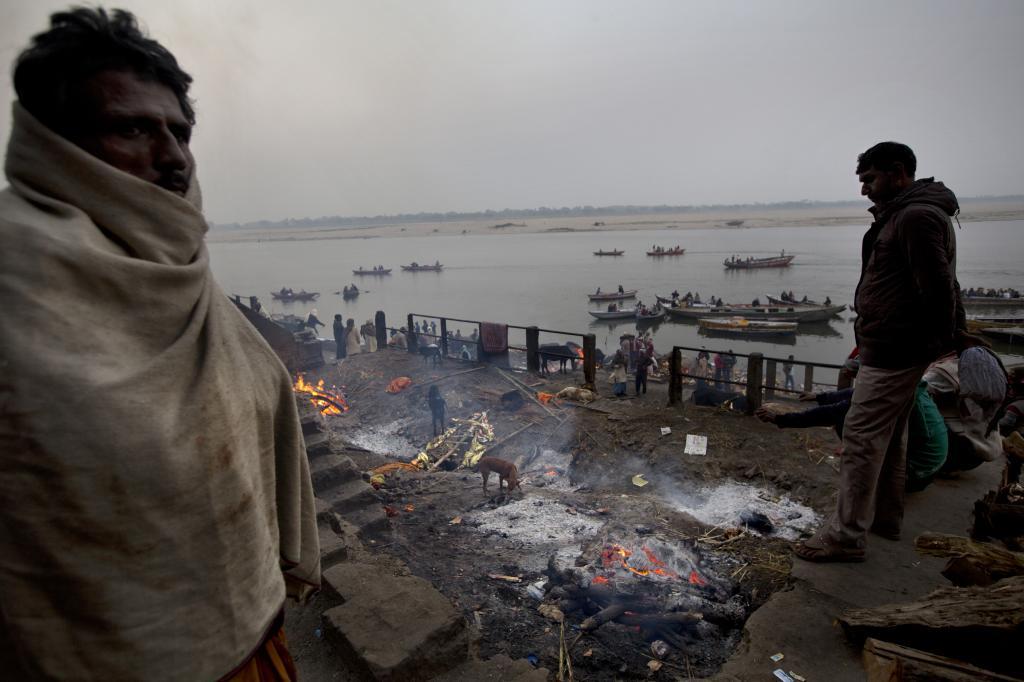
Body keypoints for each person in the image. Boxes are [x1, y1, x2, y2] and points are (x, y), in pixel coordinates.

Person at [0, 9, 318, 679]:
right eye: (134, 128)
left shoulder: (181, 273)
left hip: (253, 634)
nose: (173, 157)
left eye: (181, 131)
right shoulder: (14, 286)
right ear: (57, 146)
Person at [795, 141, 966, 563]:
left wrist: (934, 345)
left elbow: (940, 288)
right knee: (890, 438)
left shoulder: (916, 216)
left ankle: (846, 537)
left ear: (897, 173)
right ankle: (885, 520)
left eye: (870, 179)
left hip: (895, 349)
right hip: (896, 346)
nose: (864, 190)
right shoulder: (908, 214)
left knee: (861, 437)